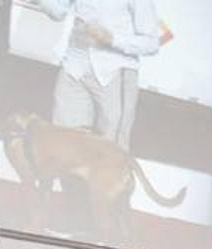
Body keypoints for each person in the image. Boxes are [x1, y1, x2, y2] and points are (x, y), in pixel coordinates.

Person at [37, 0, 161, 150]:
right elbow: (58, 11)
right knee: (63, 142)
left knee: (111, 150)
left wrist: (113, 39)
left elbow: (152, 43)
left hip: (113, 71)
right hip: (74, 67)